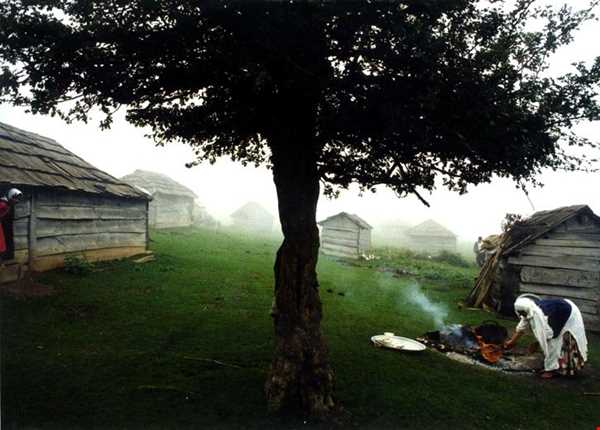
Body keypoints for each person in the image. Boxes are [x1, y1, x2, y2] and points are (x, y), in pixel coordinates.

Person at [504, 294, 588, 378]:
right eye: (519, 313)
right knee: (552, 341)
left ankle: (551, 370)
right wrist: (511, 342)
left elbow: (550, 336)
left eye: (521, 313)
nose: (520, 314)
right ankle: (555, 366)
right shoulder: (528, 309)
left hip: (568, 313)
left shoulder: (541, 316)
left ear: (525, 310)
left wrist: (536, 344)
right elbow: (521, 328)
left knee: (554, 342)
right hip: (559, 310)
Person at [0, 188, 23, 259]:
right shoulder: (2, 204)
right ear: (11, 196)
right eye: (15, 198)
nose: (17, 201)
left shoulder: (7, 204)